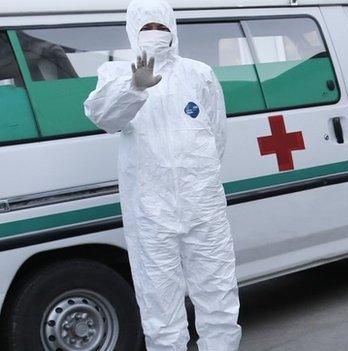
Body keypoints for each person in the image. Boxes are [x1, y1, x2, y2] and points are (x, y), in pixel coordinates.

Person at [83, 1, 241, 350]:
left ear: (173, 28)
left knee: (219, 297)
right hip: (151, 210)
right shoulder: (114, 73)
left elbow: (216, 132)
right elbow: (104, 117)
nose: (155, 35)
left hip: (202, 205)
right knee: (161, 307)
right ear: (132, 31)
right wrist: (134, 87)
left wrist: (202, 180)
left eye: (161, 27)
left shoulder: (197, 73)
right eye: (146, 28)